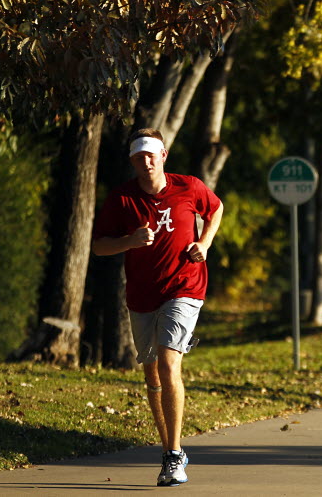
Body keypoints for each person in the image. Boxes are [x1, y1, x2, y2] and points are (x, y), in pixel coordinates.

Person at [92, 129, 224, 487]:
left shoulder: (189, 187)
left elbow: (216, 209)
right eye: (139, 157)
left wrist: (205, 243)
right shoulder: (121, 199)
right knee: (152, 373)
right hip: (142, 295)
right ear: (133, 162)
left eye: (151, 155)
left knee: (168, 362)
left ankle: (173, 455)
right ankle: (170, 447)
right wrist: (129, 241)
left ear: (163, 155)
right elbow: (98, 246)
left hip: (185, 287)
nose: (146, 161)